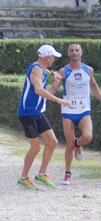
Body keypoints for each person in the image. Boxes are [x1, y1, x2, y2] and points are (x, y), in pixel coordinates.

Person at [49, 43, 101, 185]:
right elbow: (54, 88)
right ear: (68, 53)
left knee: (88, 137)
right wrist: (42, 96)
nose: (74, 52)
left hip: (84, 110)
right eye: (71, 50)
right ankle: (67, 173)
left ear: (81, 52)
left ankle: (78, 144)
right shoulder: (64, 71)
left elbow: (94, 86)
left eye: (77, 50)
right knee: (68, 143)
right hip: (68, 111)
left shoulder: (88, 70)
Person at [17, 45, 72, 190]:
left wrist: (53, 74)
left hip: (36, 113)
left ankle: (41, 174)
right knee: (35, 147)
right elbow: (39, 90)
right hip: (27, 114)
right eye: (53, 57)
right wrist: (59, 100)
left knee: (52, 142)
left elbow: (44, 71)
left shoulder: (40, 68)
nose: (54, 59)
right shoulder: (35, 69)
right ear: (47, 57)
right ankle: (23, 178)